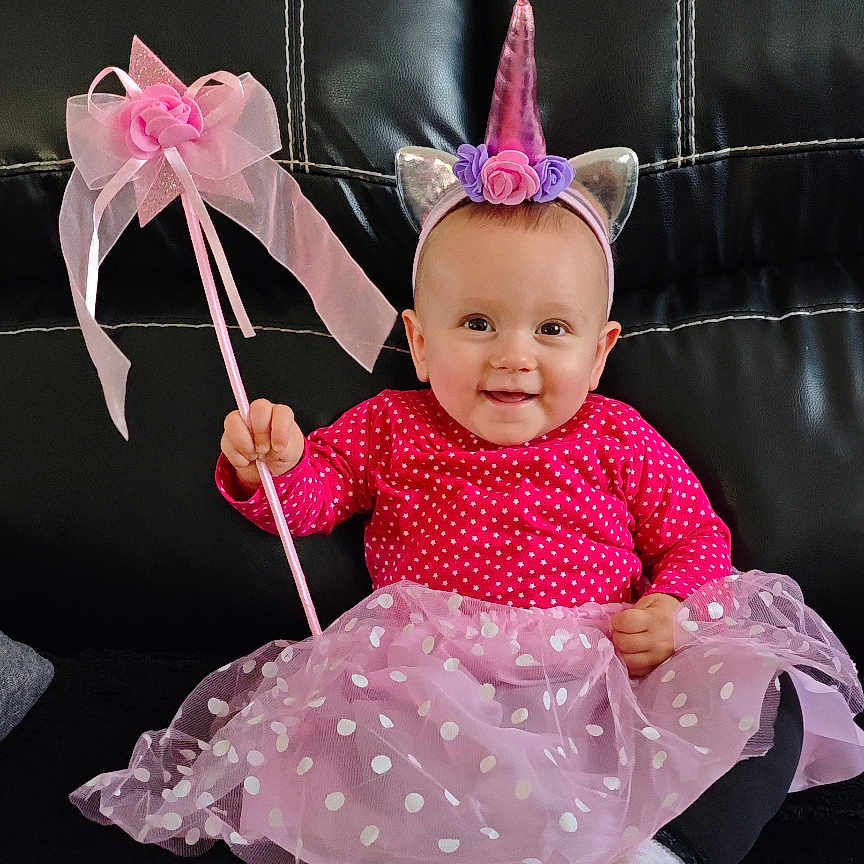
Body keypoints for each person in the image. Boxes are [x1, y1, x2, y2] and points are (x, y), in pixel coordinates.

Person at [68, 3, 864, 863]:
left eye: (551, 332)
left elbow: (694, 535)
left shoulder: (618, 435)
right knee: (336, 729)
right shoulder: (393, 426)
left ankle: (665, 848)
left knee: (759, 694)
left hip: (602, 671)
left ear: (600, 355)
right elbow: (312, 499)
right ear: (418, 340)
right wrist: (279, 460)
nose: (512, 358)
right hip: (436, 686)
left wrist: (672, 612)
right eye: (477, 324)